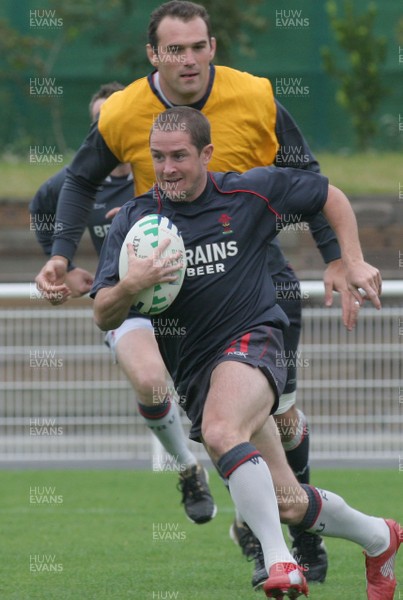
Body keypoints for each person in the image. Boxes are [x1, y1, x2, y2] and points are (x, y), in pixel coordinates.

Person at [35, 0, 361, 585]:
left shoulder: (257, 96)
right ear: (153, 54)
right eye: (174, 49)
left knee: (278, 422)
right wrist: (60, 256)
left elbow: (311, 179)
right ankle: (246, 522)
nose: (188, 59)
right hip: (157, 282)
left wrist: (340, 259)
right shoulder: (124, 111)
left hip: (251, 275)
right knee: (191, 405)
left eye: (198, 46)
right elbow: (76, 180)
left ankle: (303, 525)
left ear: (213, 47)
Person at [91, 106, 401, 600]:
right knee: (288, 502)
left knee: (220, 430)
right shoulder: (135, 219)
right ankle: (380, 538)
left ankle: (281, 562)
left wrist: (351, 260)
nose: (167, 168)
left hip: (257, 339)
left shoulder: (249, 192)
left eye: (179, 156)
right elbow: (104, 314)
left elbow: (328, 195)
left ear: (207, 154)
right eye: (157, 157)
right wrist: (133, 283)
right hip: (197, 370)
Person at [30, 81, 217, 526]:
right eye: (98, 121)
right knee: (151, 382)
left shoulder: (160, 171)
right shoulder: (78, 181)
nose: (105, 128)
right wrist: (62, 260)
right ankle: (188, 469)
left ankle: (252, 523)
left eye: (111, 120)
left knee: (219, 414)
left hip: (192, 300)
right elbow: (41, 205)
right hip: (127, 299)